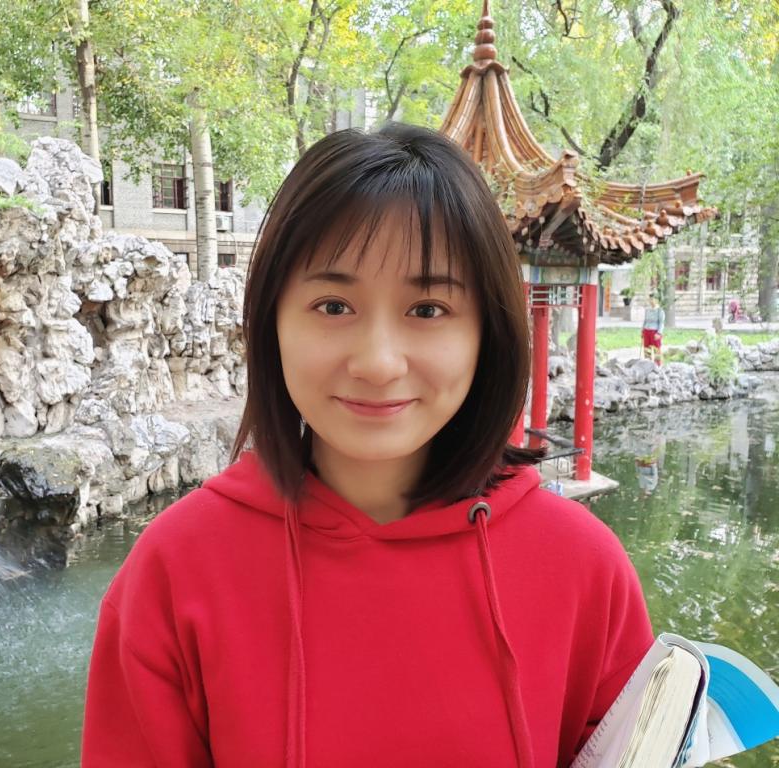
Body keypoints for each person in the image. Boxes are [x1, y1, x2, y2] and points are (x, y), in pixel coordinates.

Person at [80, 123, 654, 767]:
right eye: (333, 306)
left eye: (428, 309)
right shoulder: (175, 572)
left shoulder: (584, 571)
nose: (378, 363)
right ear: (270, 324)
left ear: (487, 334)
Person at [641, 294, 665, 365]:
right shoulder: (647, 310)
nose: (651, 301)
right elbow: (645, 321)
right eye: (650, 299)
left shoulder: (660, 310)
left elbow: (661, 323)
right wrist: (642, 331)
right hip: (646, 331)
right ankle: (648, 364)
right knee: (647, 349)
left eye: (653, 299)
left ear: (657, 300)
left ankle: (657, 365)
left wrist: (659, 333)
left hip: (655, 332)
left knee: (656, 349)